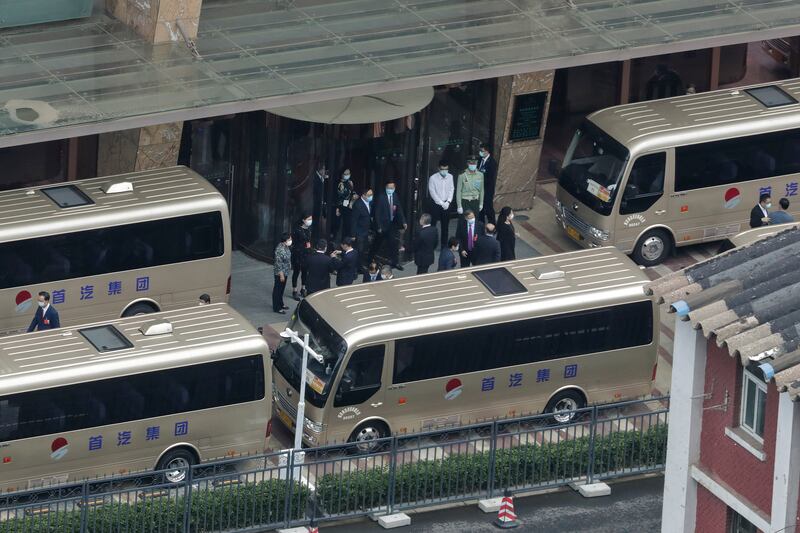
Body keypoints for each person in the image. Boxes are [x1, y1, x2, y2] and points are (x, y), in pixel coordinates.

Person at [374, 179, 407, 270]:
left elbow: (399, 209)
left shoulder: (395, 196)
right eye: (389, 187)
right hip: (382, 225)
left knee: (393, 244)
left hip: (391, 225)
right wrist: (379, 226)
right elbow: (377, 213)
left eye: (392, 187)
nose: (390, 189)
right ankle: (370, 259)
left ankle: (395, 262)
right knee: (377, 244)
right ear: (385, 188)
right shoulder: (381, 197)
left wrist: (403, 221)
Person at [428, 160, 454, 248]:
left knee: (445, 225)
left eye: (446, 169)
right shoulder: (433, 178)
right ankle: (432, 243)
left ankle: (444, 244)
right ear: (438, 168)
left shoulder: (450, 177)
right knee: (433, 224)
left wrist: (448, 201)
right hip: (436, 204)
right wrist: (441, 203)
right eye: (442, 169)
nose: (444, 171)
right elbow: (432, 192)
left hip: (447, 203)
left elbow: (451, 189)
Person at [291, 214, 313, 300]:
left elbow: (308, 242)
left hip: (306, 253)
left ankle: (303, 289)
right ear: (303, 220)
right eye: (309, 219)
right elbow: (294, 242)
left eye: (311, 219)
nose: (310, 221)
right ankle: (294, 290)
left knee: (305, 272)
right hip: (297, 253)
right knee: (296, 272)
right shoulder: (297, 230)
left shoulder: (308, 230)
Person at [350, 188, 374, 268]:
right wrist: (353, 235)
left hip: (366, 231)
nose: (371, 196)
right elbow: (353, 221)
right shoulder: (358, 205)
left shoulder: (369, 203)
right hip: (359, 232)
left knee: (363, 249)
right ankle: (357, 267)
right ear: (363, 195)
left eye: (371, 194)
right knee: (359, 250)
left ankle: (360, 265)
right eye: (369, 195)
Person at [330, 169, 356, 242]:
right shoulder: (338, 183)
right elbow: (338, 196)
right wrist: (338, 207)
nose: (347, 175)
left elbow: (352, 191)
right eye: (345, 173)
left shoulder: (350, 182)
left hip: (348, 206)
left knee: (347, 224)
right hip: (339, 206)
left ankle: (345, 240)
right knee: (336, 224)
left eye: (348, 173)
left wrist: (354, 195)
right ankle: (333, 239)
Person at [272, 233, 292, 314]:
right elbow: (278, 263)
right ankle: (276, 307)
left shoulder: (286, 247)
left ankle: (281, 303)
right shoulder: (280, 250)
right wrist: (281, 275)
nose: (291, 241)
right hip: (280, 273)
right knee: (278, 289)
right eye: (289, 240)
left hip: (286, 271)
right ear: (284, 241)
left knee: (281, 289)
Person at [478, 144, 498, 224]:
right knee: (480, 207)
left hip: (487, 189)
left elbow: (490, 178)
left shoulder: (492, 163)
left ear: (487, 151)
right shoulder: (480, 159)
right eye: (480, 151)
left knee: (488, 207)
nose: (480, 153)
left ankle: (492, 224)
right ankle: (481, 224)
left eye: (482, 151)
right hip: (479, 188)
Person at [312, 165, 328, 237]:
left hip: (319, 204)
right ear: (320, 170)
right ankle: (314, 236)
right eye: (324, 170)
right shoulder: (315, 178)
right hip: (314, 204)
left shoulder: (321, 178)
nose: (325, 172)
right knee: (315, 221)